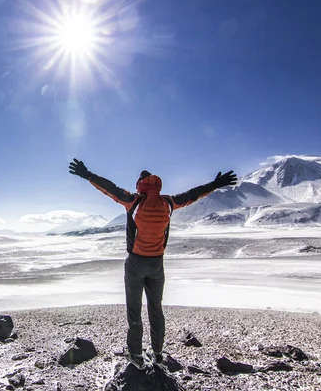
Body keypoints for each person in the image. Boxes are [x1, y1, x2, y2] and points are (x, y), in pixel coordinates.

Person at [68, 158, 237, 369]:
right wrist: (216, 184)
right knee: (156, 310)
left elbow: (110, 189)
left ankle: (136, 355)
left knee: (134, 311)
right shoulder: (168, 202)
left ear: (140, 184)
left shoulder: (134, 201)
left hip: (136, 264)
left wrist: (88, 175)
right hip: (157, 265)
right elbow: (193, 194)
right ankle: (158, 353)